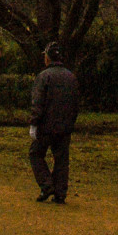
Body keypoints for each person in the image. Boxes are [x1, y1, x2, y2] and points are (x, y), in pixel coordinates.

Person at [28, 41, 80, 204]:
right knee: (62, 159)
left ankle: (46, 184)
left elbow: (38, 102)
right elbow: (76, 103)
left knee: (35, 153)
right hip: (65, 126)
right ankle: (60, 192)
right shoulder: (71, 77)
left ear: (48, 58)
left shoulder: (44, 76)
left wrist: (34, 123)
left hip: (46, 126)